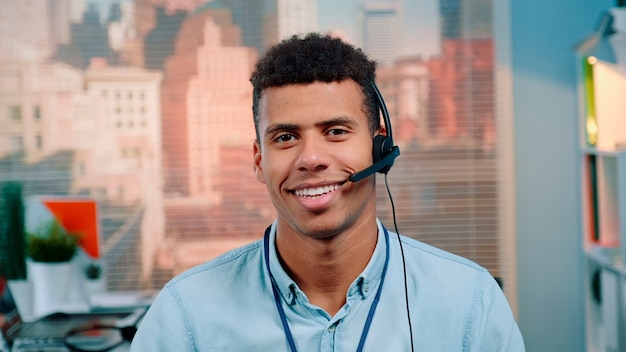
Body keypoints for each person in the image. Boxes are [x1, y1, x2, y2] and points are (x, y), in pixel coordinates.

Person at [131, 33, 525, 351]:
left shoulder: (469, 302)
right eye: (285, 137)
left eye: (336, 131)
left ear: (379, 147)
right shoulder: (185, 316)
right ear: (258, 160)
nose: (311, 159)